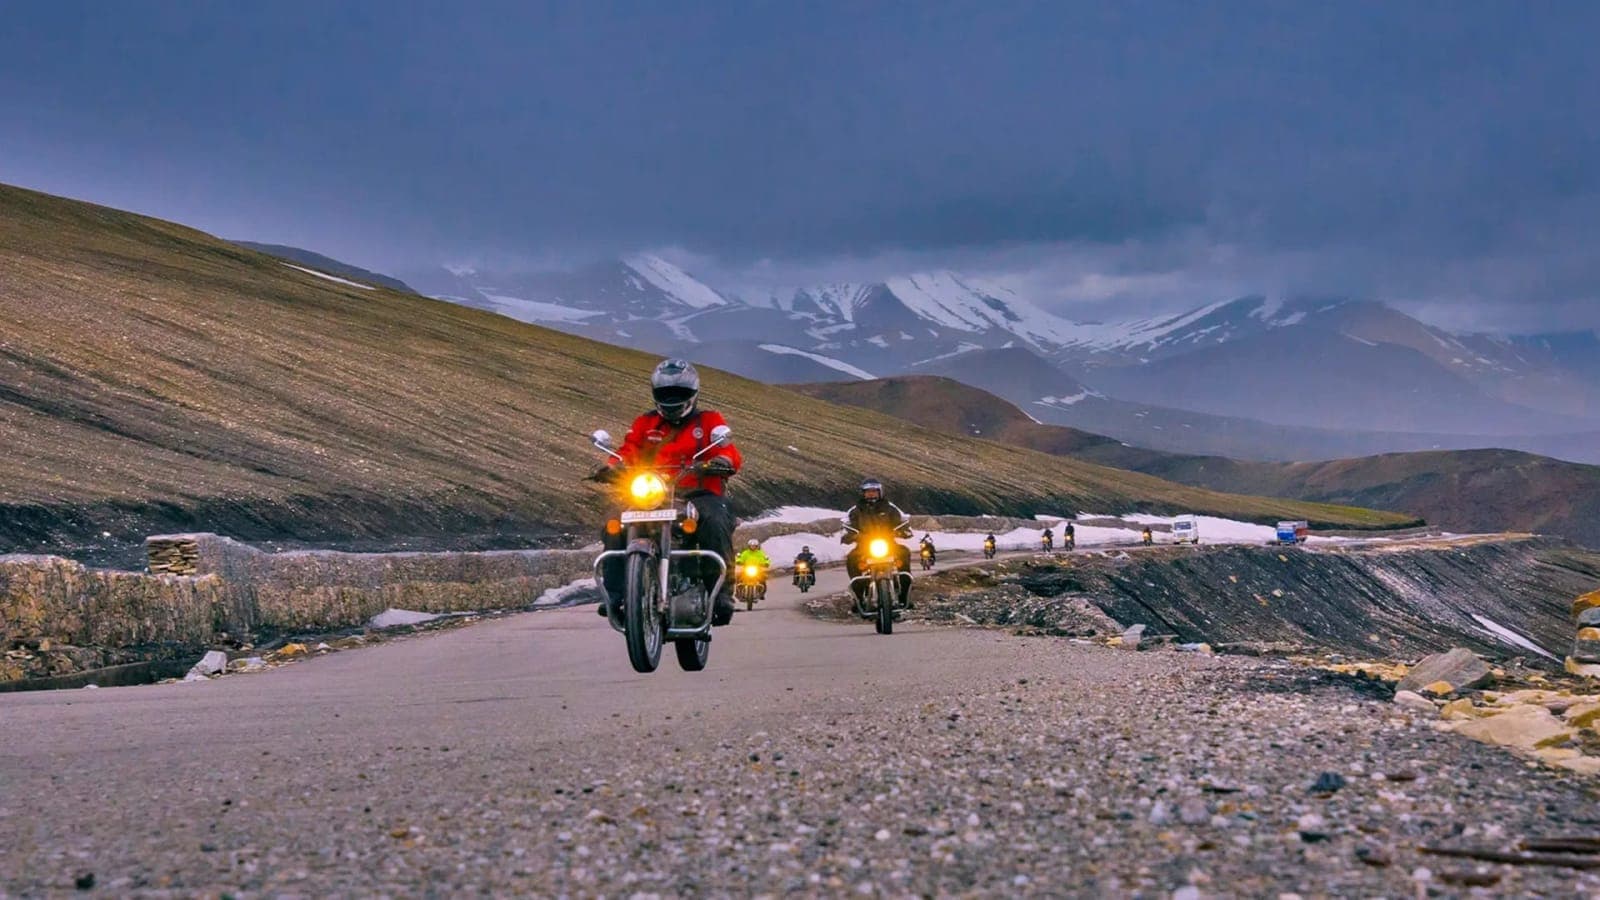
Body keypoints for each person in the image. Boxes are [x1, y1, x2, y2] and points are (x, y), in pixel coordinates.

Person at [592, 359, 742, 625]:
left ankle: (721, 594)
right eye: (665, 393)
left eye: (679, 393)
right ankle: (614, 593)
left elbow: (727, 450)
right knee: (614, 522)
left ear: (693, 393)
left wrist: (723, 461)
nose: (672, 398)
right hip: (651, 494)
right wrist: (613, 465)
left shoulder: (709, 420)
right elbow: (629, 450)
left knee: (715, 521)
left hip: (699, 493)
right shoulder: (646, 422)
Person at [841, 478, 913, 606]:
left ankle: (905, 594)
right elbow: (846, 525)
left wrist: (904, 530)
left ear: (880, 492)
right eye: (868, 491)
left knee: (904, 553)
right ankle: (858, 598)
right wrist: (849, 535)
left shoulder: (890, 507)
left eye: (874, 491)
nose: (871, 494)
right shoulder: (855, 510)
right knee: (852, 559)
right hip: (864, 546)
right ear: (863, 493)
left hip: (889, 544)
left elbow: (903, 521)